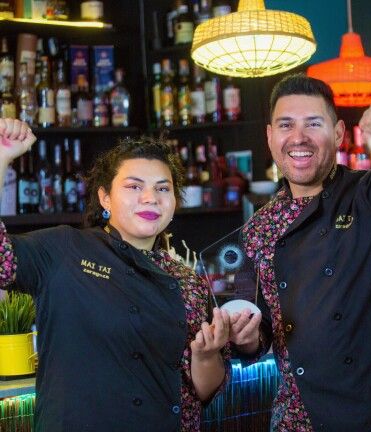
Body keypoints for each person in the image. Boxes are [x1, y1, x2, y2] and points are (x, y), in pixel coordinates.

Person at [229, 75, 371, 431]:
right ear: (270, 136)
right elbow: (256, 326)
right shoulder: (256, 229)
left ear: (338, 134)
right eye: (286, 125)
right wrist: (246, 339)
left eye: (313, 123)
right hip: (298, 420)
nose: (298, 137)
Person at [0, 120, 230, 432]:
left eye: (163, 188)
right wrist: (1, 158)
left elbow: (201, 392)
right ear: (105, 198)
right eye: (134, 186)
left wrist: (206, 357)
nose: (150, 198)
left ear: (174, 202)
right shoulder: (64, 249)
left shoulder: (187, 280)